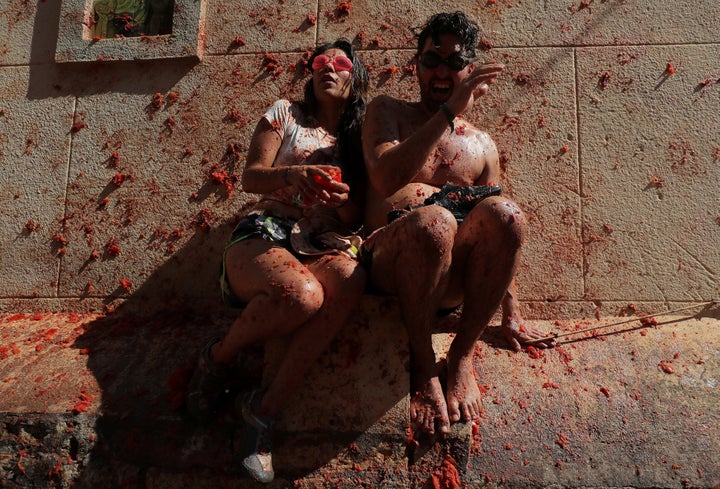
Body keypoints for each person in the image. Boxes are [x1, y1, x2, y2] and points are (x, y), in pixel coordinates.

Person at [361, 12, 556, 438]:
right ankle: (424, 366)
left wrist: (512, 312)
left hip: (453, 277)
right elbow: (385, 178)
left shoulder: (482, 144)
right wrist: (447, 114)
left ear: (470, 69)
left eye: (455, 61)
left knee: (507, 213)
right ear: (416, 65)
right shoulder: (387, 112)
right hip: (391, 262)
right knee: (435, 221)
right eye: (432, 59)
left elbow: (497, 234)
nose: (442, 70)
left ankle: (461, 356)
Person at [186, 39, 369, 483]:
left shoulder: (361, 135)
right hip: (266, 230)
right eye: (319, 61)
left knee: (349, 277)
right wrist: (293, 175)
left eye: (340, 62)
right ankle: (217, 358)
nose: (327, 66)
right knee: (301, 296)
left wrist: (343, 202)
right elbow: (250, 176)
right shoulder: (285, 112)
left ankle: (262, 413)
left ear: (355, 76)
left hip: (323, 236)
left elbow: (360, 212)